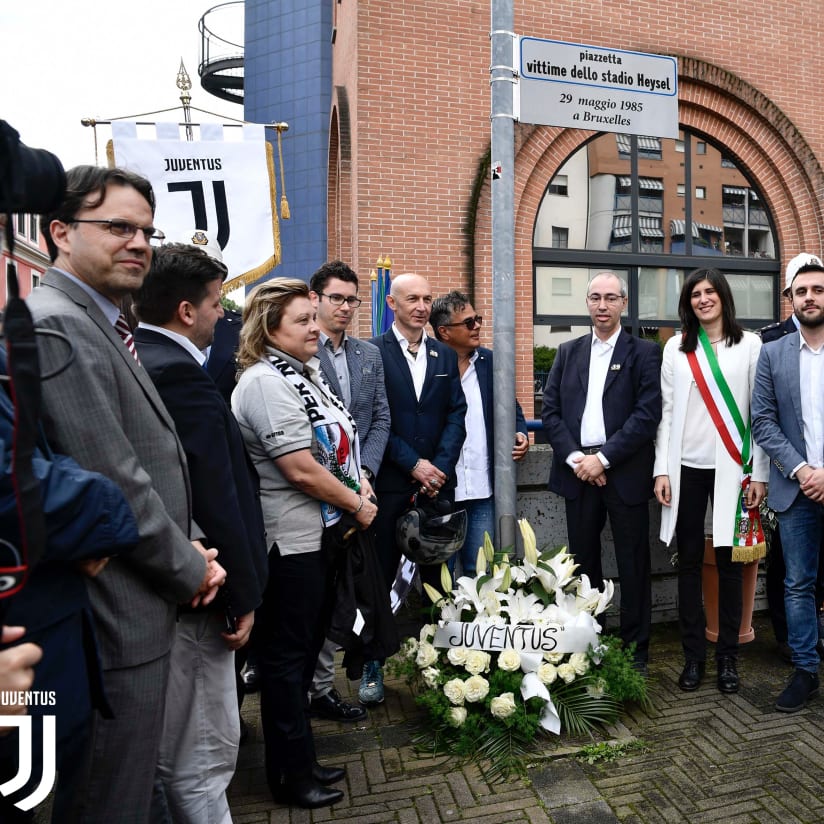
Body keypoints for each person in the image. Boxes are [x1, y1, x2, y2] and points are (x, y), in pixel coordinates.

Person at [26, 165, 226, 822]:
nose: (138, 242)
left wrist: (191, 541)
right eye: (117, 227)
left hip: (139, 598)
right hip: (115, 616)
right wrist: (189, 564)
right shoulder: (59, 322)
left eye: (145, 230)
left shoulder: (105, 321)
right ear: (59, 232)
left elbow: (150, 457)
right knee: (112, 797)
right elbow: (112, 476)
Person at [132, 239, 268, 822]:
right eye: (216, 302)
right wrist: (240, 595)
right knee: (202, 754)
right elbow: (212, 492)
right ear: (187, 311)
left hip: (177, 585)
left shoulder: (143, 360)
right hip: (202, 589)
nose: (223, 315)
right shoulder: (179, 377)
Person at [232, 278, 377, 809]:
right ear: (270, 329)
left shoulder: (304, 373)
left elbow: (335, 446)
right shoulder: (265, 383)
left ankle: (303, 760)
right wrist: (357, 504)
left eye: (314, 318)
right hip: (290, 544)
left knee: (304, 651)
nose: (316, 328)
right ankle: (289, 777)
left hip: (321, 536)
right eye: (303, 321)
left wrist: (359, 482)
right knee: (285, 662)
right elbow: (298, 469)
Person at [654, 267, 767, 695]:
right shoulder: (675, 349)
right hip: (685, 469)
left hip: (732, 470)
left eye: (709, 292)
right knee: (687, 564)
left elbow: (759, 414)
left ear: (722, 296)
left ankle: (728, 660)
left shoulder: (750, 345)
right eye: (695, 294)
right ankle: (693, 658)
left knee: (730, 565)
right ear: (688, 302)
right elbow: (665, 414)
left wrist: (760, 474)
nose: (703, 299)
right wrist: (661, 469)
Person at [542, 272, 661, 672]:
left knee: (633, 562)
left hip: (622, 472)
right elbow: (551, 412)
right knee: (583, 562)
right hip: (578, 472)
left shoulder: (644, 352)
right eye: (595, 297)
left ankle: (636, 649)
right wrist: (578, 459)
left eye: (611, 298)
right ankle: (589, 641)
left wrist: (603, 459)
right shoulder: (567, 351)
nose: (602, 305)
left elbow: (646, 416)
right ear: (587, 302)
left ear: (624, 303)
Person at [369, 273, 466, 704]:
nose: (422, 306)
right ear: (392, 302)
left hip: (436, 490)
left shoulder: (444, 355)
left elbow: (455, 415)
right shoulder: (370, 352)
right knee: (378, 580)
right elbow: (371, 419)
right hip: (391, 486)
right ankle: (371, 665)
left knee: (438, 581)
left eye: (428, 299)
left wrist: (439, 468)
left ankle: (441, 665)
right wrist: (415, 465)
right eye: (413, 299)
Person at [307, 260, 390, 723]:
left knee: (352, 592)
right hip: (319, 497)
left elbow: (380, 417)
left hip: (364, 491)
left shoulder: (368, 354)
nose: (344, 307)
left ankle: (334, 682)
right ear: (315, 298)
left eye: (351, 299)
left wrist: (367, 473)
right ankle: (313, 686)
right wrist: (345, 484)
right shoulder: (299, 349)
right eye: (336, 298)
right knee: (318, 596)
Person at [752, 255, 824, 712]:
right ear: (790, 300)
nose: (810, 297)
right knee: (797, 584)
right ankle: (805, 671)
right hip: (797, 490)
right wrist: (802, 470)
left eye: (817, 290)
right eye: (801, 292)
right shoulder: (773, 352)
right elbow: (763, 420)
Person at [430, 290, 529, 576]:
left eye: (478, 320)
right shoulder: (428, 364)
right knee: (441, 576)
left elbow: (513, 410)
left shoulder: (490, 362)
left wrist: (519, 432)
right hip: (441, 489)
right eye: (469, 322)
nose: (477, 327)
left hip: (482, 488)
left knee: (481, 571)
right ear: (444, 331)